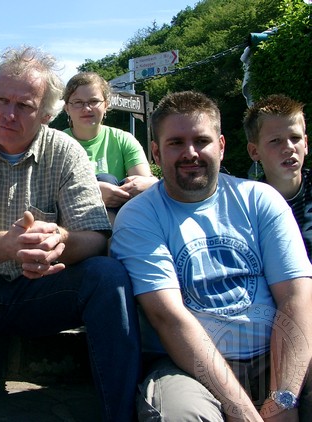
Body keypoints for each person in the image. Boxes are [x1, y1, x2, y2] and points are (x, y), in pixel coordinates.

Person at [0, 46, 140, 421]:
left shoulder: (66, 150)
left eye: (25, 106)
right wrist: (9, 245)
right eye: (1, 100)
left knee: (108, 276)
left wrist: (59, 243)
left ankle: (124, 415)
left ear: (47, 114)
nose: (9, 114)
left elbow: (96, 237)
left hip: (43, 291)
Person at [111, 90, 312, 421]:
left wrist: (283, 400)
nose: (191, 153)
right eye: (176, 143)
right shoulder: (139, 217)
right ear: (156, 154)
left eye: (201, 141)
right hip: (190, 368)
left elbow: (295, 296)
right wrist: (241, 411)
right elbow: (168, 316)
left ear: (220, 146)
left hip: (274, 353)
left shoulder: (260, 200)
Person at [63, 71, 157, 221]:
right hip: (72, 219)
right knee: (104, 179)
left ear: (106, 105)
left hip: (121, 215)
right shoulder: (57, 143)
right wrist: (92, 192)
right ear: (67, 108)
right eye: (78, 102)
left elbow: (142, 184)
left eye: (93, 101)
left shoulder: (123, 139)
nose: (86, 108)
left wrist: (130, 188)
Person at [244, 94, 311, 259]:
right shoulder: (249, 208)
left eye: (295, 138)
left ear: (306, 144)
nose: (289, 148)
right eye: (275, 141)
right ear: (254, 151)